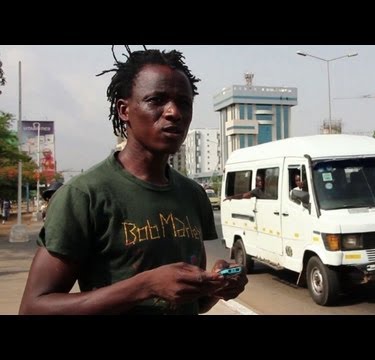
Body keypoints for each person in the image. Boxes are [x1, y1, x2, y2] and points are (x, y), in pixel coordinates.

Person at [19, 46, 247, 315]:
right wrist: (145, 286)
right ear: (124, 110)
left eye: (184, 103)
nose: (174, 112)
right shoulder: (84, 196)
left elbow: (191, 305)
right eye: (156, 100)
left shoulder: (194, 195)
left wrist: (215, 288)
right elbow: (33, 308)